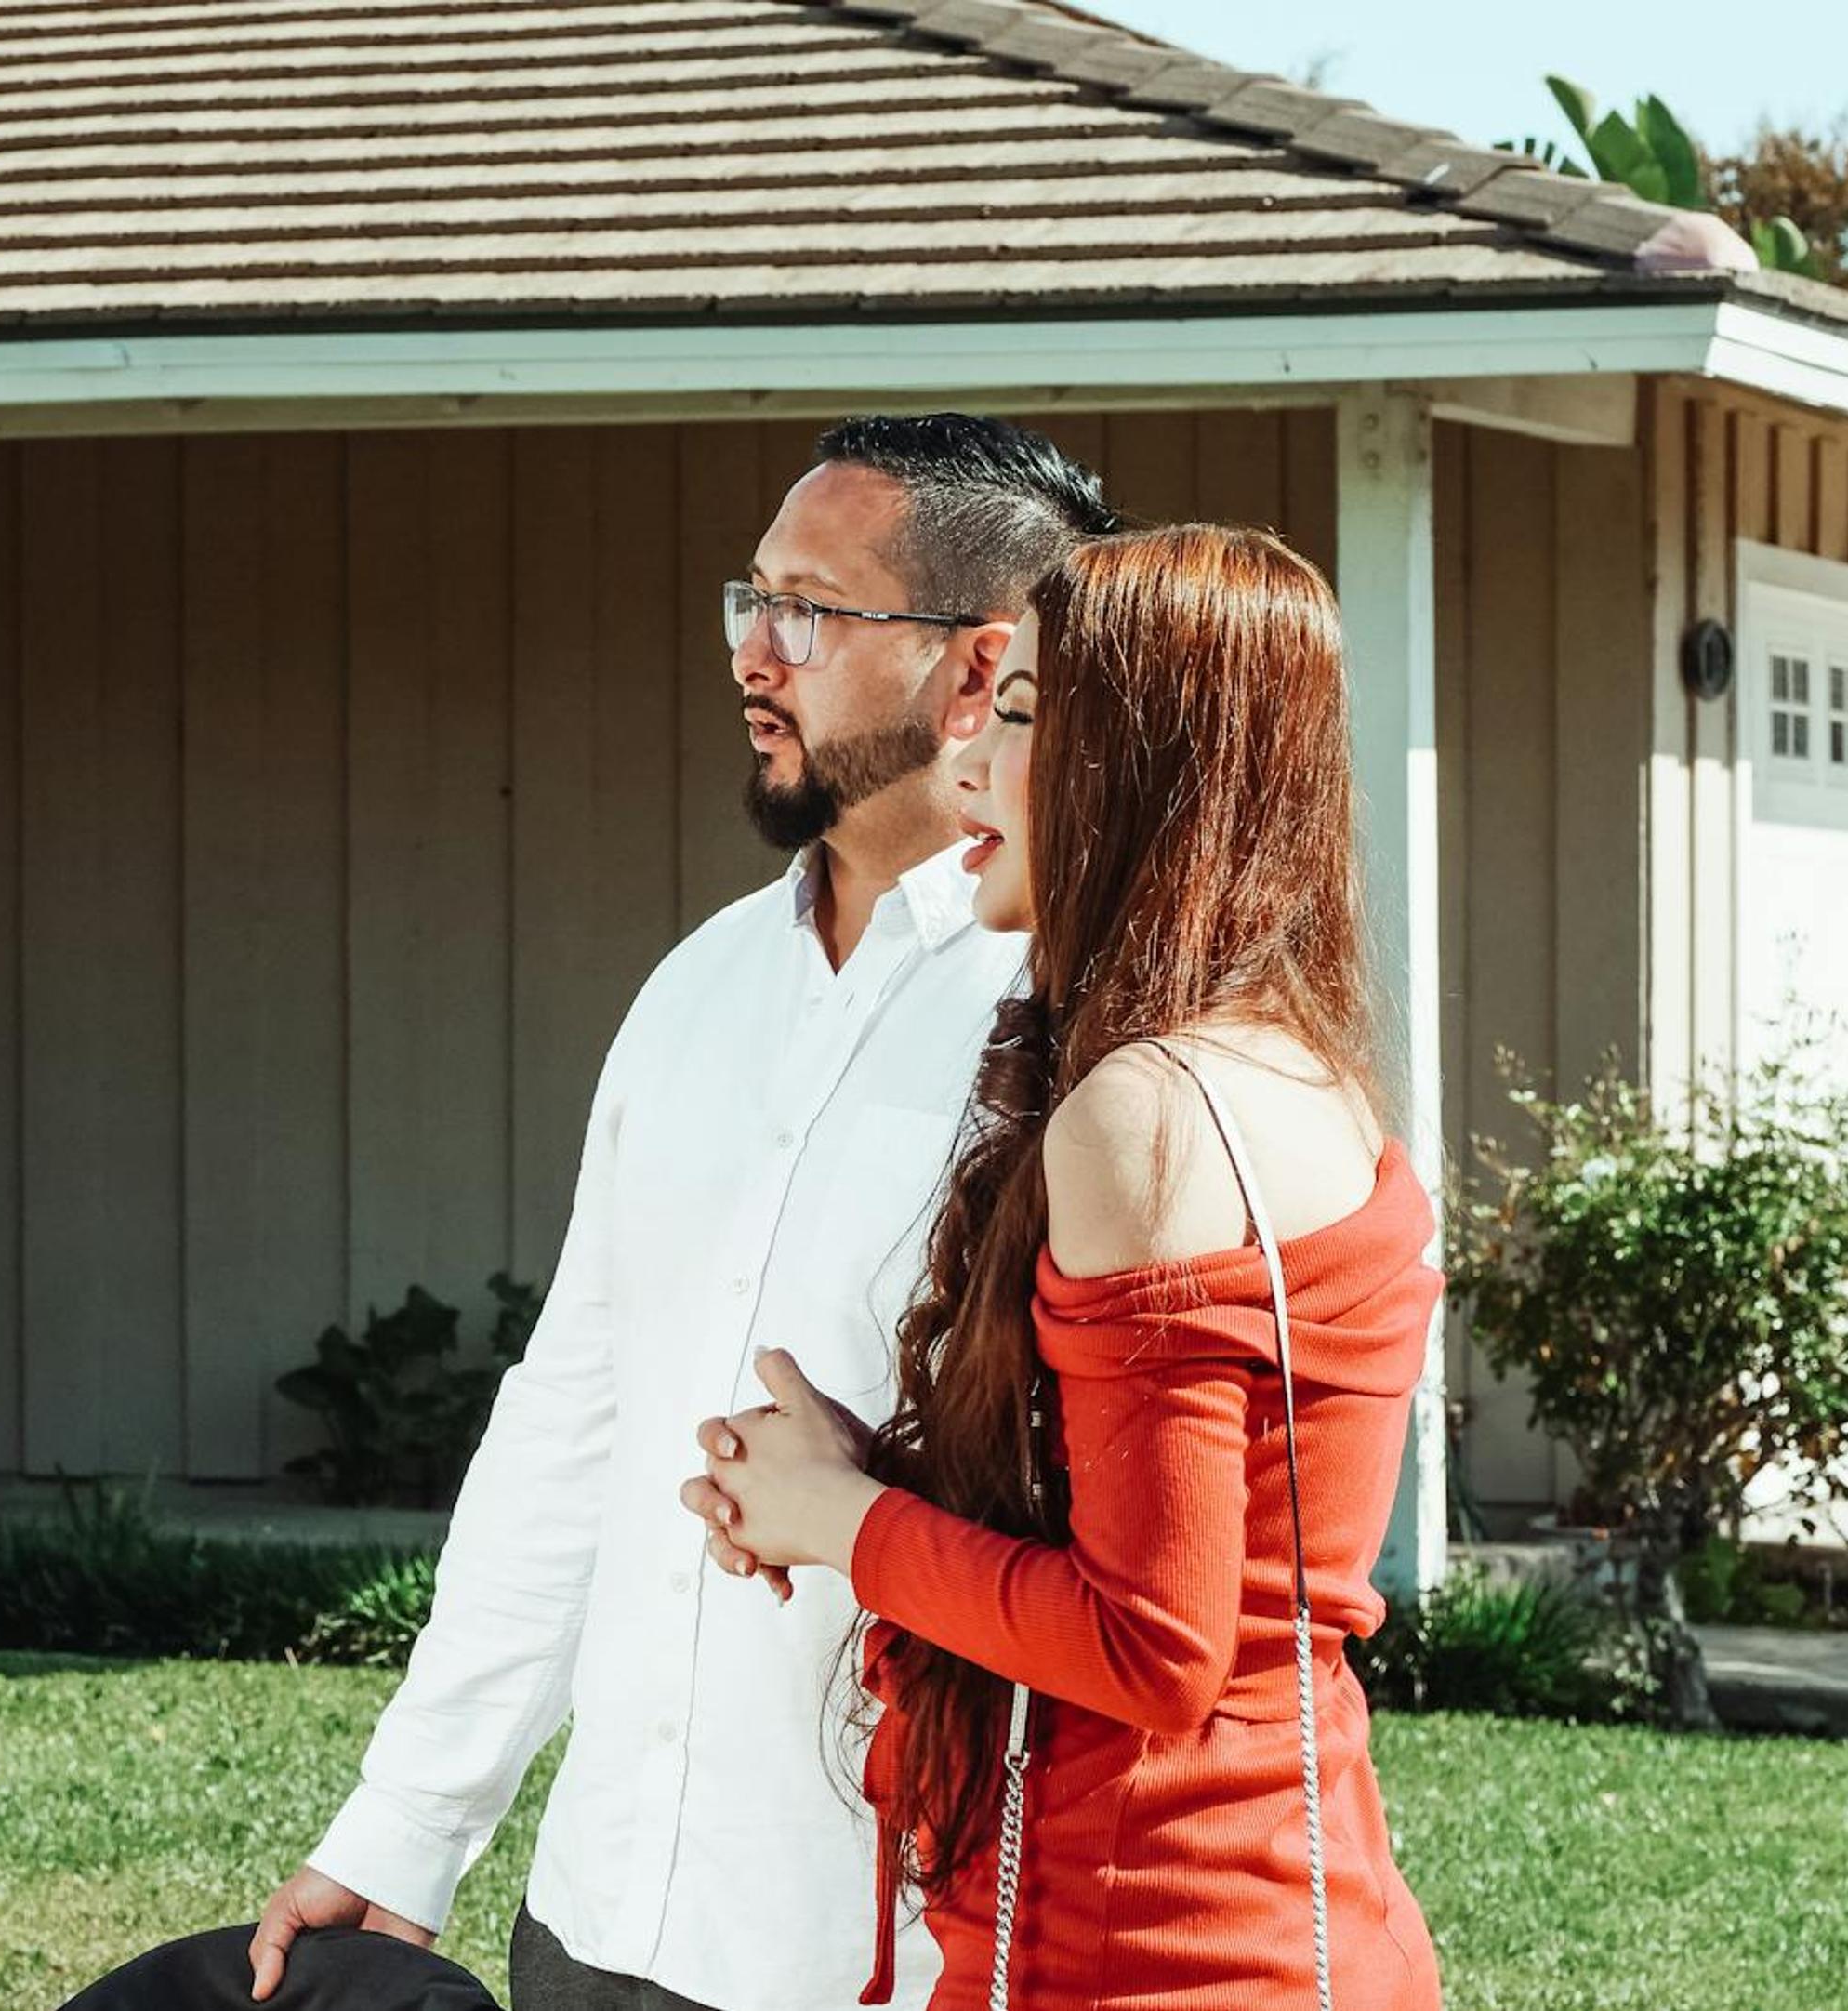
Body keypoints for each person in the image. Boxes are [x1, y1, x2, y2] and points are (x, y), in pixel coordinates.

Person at [250, 417, 1115, 2010]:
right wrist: (410, 1825)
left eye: (810, 610)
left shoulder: (1094, 1028)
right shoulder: (694, 991)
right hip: (599, 1925)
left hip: (892, 1954)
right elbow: (572, 1425)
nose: (750, 652)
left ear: (979, 665)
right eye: (749, 600)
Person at [682, 525, 1446, 2009]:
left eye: (1022, 714)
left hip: (1139, 1949)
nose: (965, 762)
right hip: (1292, 1922)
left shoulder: (1146, 1116)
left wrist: (843, 1521)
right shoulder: (1302, 1074)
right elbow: (1209, 1558)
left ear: (1149, 768)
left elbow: (1153, 1647)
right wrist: (866, 1478)